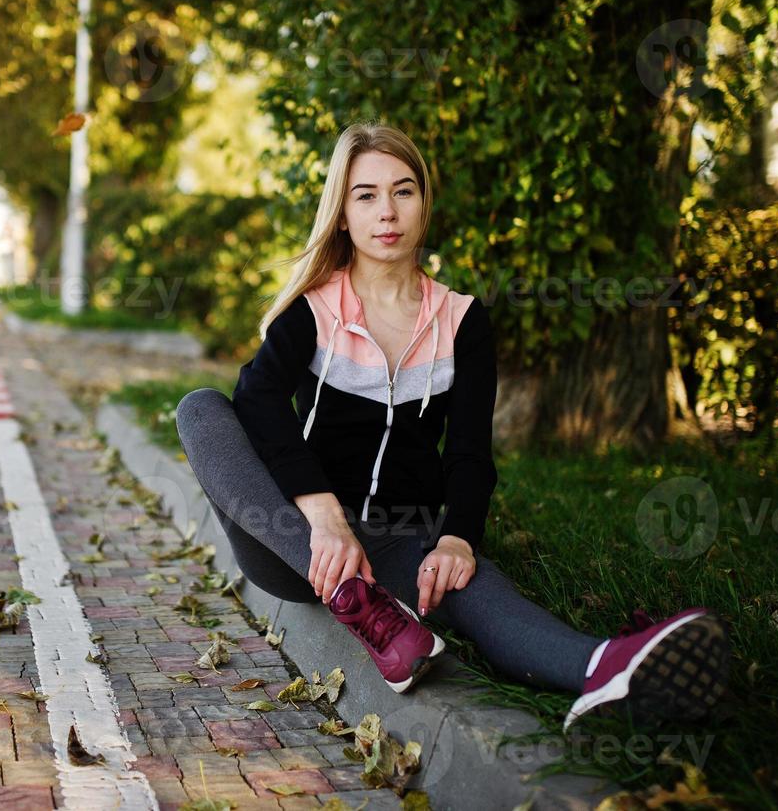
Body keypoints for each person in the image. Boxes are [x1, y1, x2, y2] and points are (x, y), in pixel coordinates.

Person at [175, 122, 729, 730]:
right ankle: (355, 603)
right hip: (298, 542)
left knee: (475, 583)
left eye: (402, 191)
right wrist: (326, 521)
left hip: (399, 538)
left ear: (423, 203)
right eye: (365, 195)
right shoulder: (314, 311)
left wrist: (457, 538)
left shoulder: (462, 322)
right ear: (341, 215)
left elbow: (468, 453)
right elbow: (256, 405)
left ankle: (607, 666)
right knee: (201, 407)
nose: (387, 212)